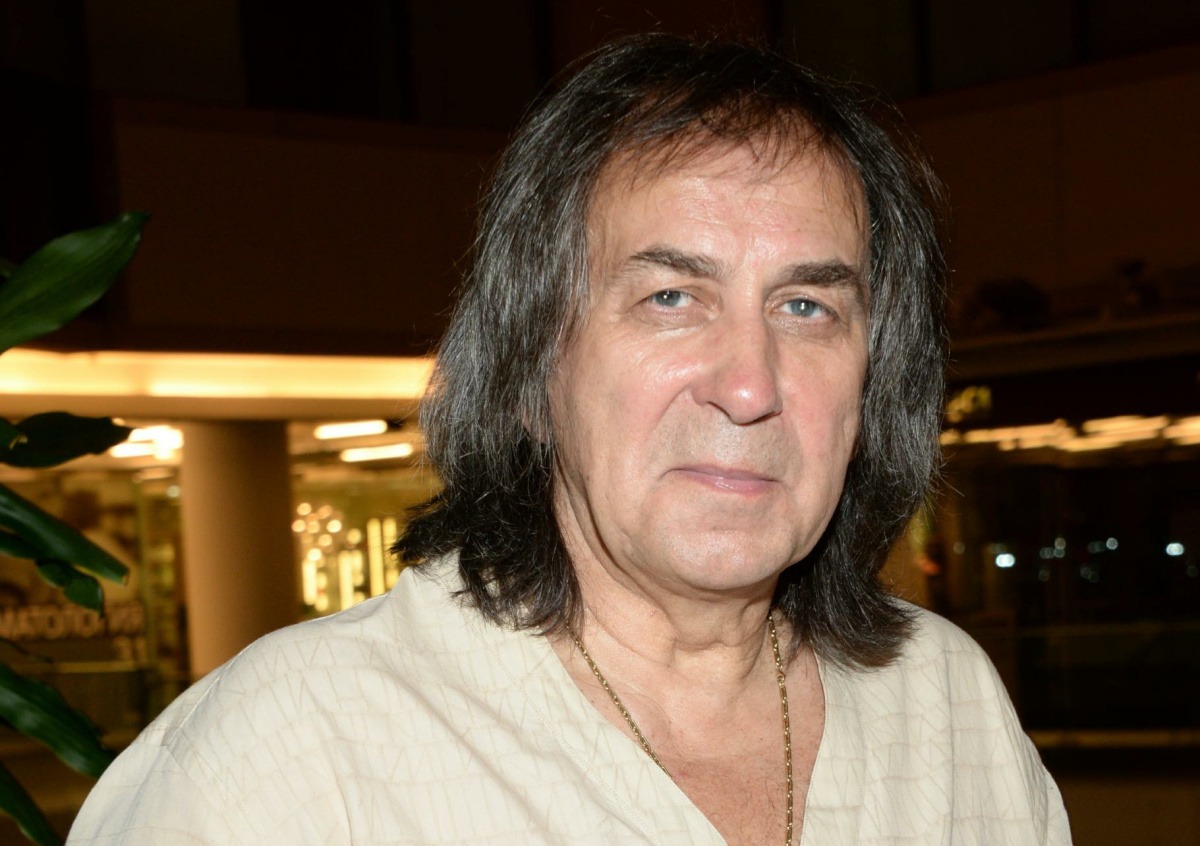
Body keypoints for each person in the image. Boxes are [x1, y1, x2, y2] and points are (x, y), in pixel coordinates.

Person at [68, 35, 1071, 845]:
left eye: (807, 307)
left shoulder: (945, 705)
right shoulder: (286, 759)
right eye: (671, 297)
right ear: (529, 369)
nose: (750, 386)